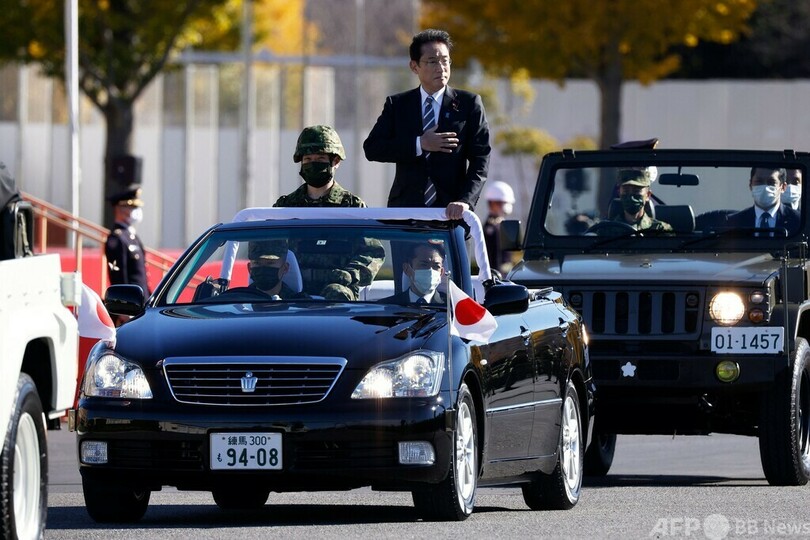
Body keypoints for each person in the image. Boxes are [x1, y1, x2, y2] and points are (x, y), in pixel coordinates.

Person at [363, 29, 491, 220]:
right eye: (432, 61)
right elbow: (372, 148)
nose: (441, 67)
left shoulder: (468, 104)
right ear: (414, 66)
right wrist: (419, 144)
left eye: (445, 60)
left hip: (451, 215)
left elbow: (481, 159)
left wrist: (465, 201)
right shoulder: (398, 105)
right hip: (406, 213)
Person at [274, 125, 384, 300]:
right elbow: (267, 250)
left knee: (337, 296)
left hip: (339, 296)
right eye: (307, 159)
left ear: (336, 162)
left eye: (320, 158)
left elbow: (372, 253)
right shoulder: (286, 206)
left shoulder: (352, 207)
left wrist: (348, 276)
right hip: (291, 295)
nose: (312, 163)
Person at [105, 184, 149, 294]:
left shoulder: (132, 236)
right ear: (120, 209)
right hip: (131, 303)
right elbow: (119, 279)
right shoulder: (117, 239)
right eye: (133, 207)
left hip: (142, 300)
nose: (137, 211)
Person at [727, 167, 800, 233]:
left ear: (783, 187)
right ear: (750, 185)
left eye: (771, 182)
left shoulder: (799, 221)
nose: (765, 188)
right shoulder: (734, 222)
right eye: (759, 181)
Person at [236, 239, 307, 299]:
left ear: (285, 268)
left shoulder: (301, 305)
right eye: (257, 263)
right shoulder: (237, 302)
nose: (263, 269)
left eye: (270, 263)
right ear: (249, 268)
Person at [381, 242, 446, 305]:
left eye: (436, 266)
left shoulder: (452, 306)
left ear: (441, 273)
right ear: (407, 269)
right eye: (423, 265)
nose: (431, 271)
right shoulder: (388, 306)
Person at [482, 180, 515, 273]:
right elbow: (495, 257)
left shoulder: (500, 224)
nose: (504, 206)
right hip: (499, 274)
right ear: (492, 203)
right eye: (501, 203)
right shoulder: (492, 227)